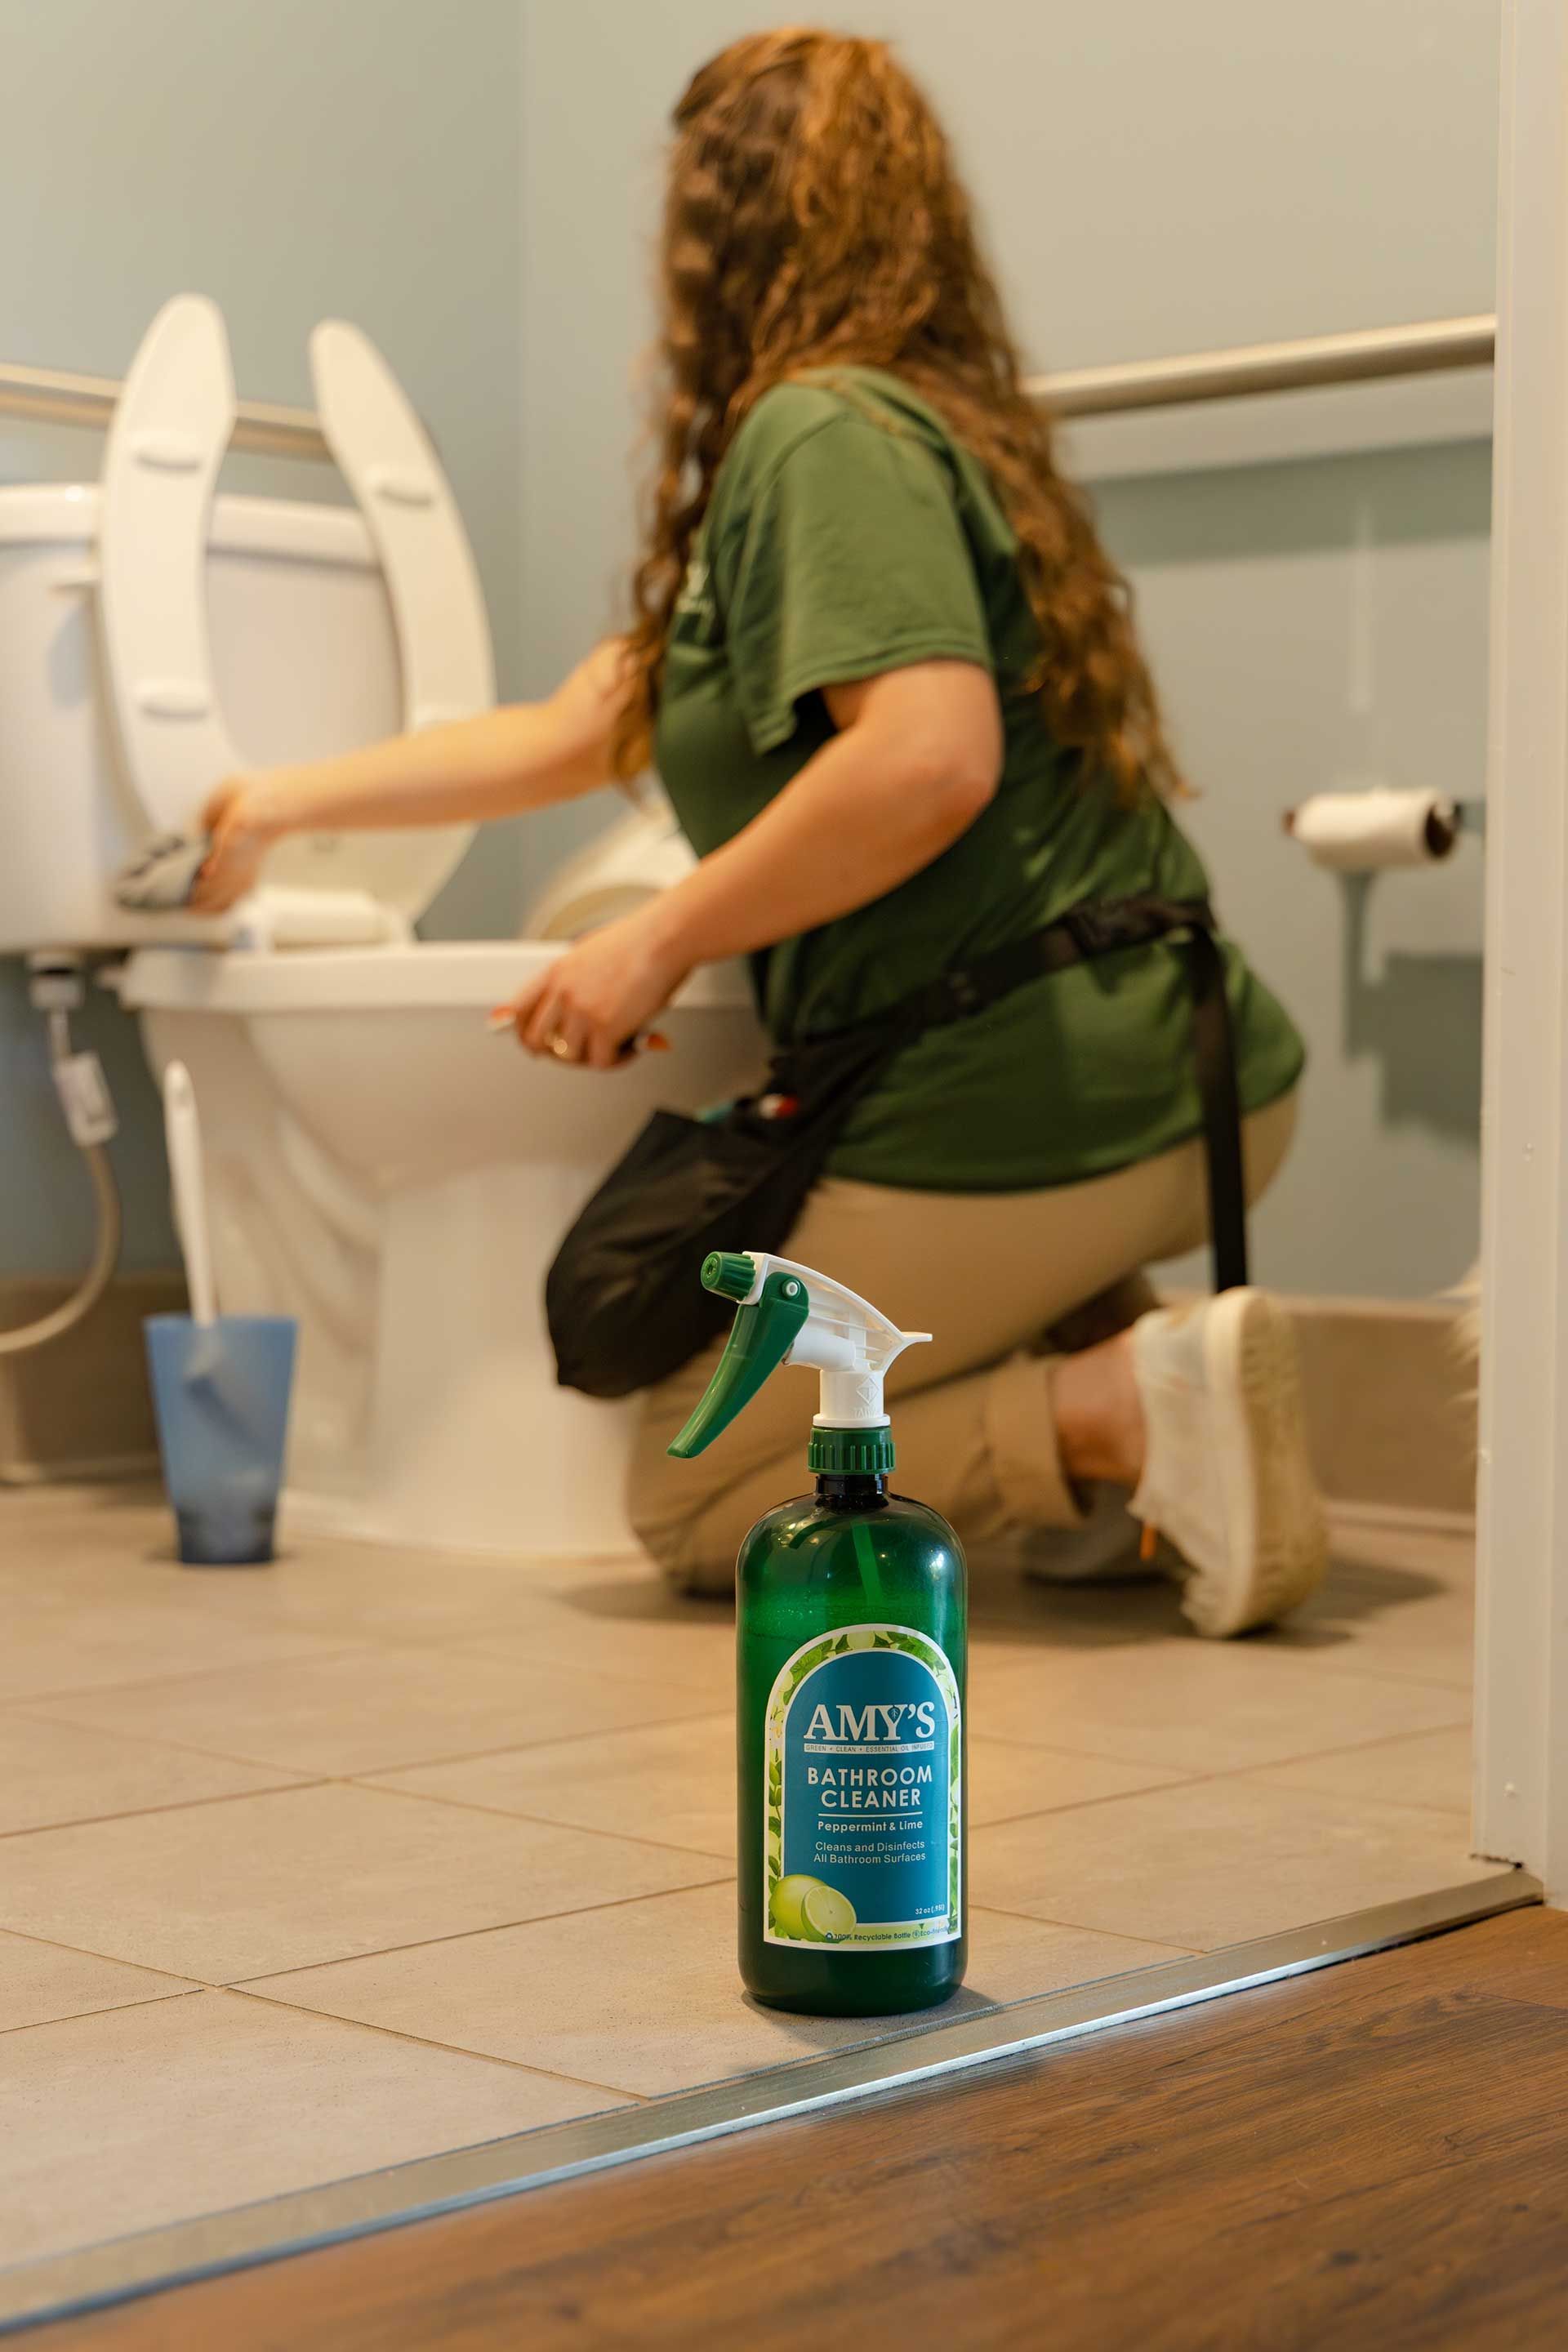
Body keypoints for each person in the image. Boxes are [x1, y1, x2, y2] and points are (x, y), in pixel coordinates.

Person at [194, 28, 1323, 1638]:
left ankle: (1124, 1408)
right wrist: (282, 801)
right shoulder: (890, 434)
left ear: (728, 222)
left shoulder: (822, 433)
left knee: (699, 1486)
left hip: (1037, 1088)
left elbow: (929, 761)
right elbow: (573, 732)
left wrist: (659, 933)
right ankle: (1136, 1424)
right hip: (1171, 1065)